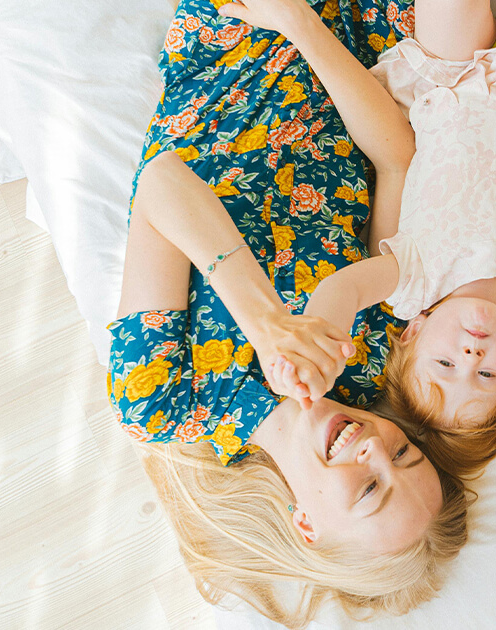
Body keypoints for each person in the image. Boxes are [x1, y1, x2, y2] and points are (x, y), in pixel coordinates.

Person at [106, 0, 467, 625]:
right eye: (405, 455)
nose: (375, 450)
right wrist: (302, 24)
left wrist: (264, 320)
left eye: (369, 489)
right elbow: (397, 161)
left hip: (228, 48)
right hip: (350, 39)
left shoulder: (164, 403)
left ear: (306, 524)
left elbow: (162, 180)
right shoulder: (372, 354)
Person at [252, 0, 496, 478]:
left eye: (445, 364)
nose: (470, 357)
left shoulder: (411, 282)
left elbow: (343, 290)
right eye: (486, 375)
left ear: (414, 333)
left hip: (443, 79)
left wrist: (320, 341)